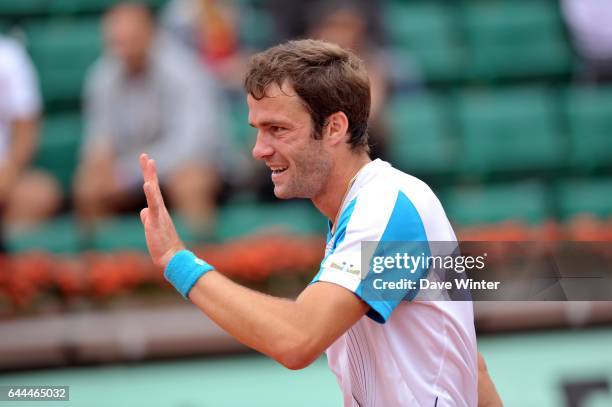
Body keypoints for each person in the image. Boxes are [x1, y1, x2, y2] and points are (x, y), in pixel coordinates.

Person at [139, 40, 500, 406]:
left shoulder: (386, 208)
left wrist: (176, 260)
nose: (259, 149)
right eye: (257, 129)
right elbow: (470, 365)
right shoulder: (373, 208)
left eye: (277, 129)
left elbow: (297, 339)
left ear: (334, 128)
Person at [74, 2, 231, 233]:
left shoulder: (184, 70)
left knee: (191, 183)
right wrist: (101, 164)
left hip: (188, 168)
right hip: (132, 173)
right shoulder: (101, 77)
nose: (122, 44)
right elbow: (98, 139)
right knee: (88, 186)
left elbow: (192, 146)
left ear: (151, 32)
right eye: (116, 39)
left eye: (130, 35)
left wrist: (129, 174)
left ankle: (202, 264)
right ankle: (103, 266)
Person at [0, 34, 62, 240]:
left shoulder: (8, 55)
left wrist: (8, 173)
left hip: (6, 176)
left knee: (40, 194)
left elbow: (26, 131)